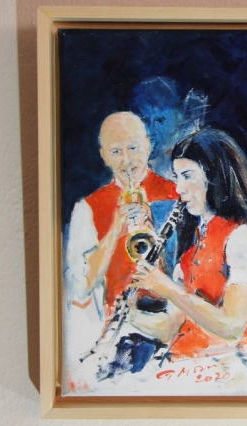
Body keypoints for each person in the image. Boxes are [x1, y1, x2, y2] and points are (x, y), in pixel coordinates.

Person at [131, 128, 247, 383]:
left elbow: (232, 327)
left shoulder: (245, 236)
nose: (179, 188)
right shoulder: (194, 242)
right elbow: (171, 327)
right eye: (177, 177)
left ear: (215, 176)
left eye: (188, 176)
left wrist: (167, 288)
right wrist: (129, 314)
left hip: (236, 365)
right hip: (192, 361)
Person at [63, 111, 178, 389]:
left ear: (148, 145)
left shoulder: (178, 196)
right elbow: (81, 287)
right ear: (104, 156)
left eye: (133, 148)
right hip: (118, 329)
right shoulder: (87, 208)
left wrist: (154, 229)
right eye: (116, 151)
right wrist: (115, 228)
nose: (127, 160)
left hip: (173, 323)